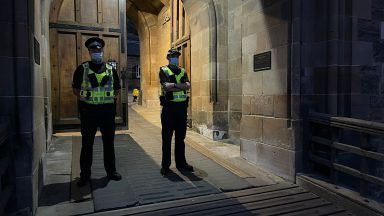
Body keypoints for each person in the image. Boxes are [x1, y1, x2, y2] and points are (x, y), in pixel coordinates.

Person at [72, 37, 122, 187]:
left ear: (102, 50)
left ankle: (111, 171)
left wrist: (108, 97)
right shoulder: (82, 68)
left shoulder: (110, 69)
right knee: (87, 145)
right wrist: (87, 96)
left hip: (107, 112)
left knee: (109, 144)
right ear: (89, 51)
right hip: (89, 112)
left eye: (99, 49)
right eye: (93, 49)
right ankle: (85, 175)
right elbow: (75, 89)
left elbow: (117, 88)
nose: (96, 51)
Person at [159, 49, 194, 175]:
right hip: (169, 109)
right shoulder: (163, 70)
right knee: (167, 139)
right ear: (168, 58)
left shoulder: (183, 71)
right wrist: (180, 85)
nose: (175, 58)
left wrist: (173, 85)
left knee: (180, 138)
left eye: (177, 56)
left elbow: (188, 85)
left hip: (181, 110)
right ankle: (165, 166)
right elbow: (166, 87)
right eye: (173, 56)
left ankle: (181, 163)